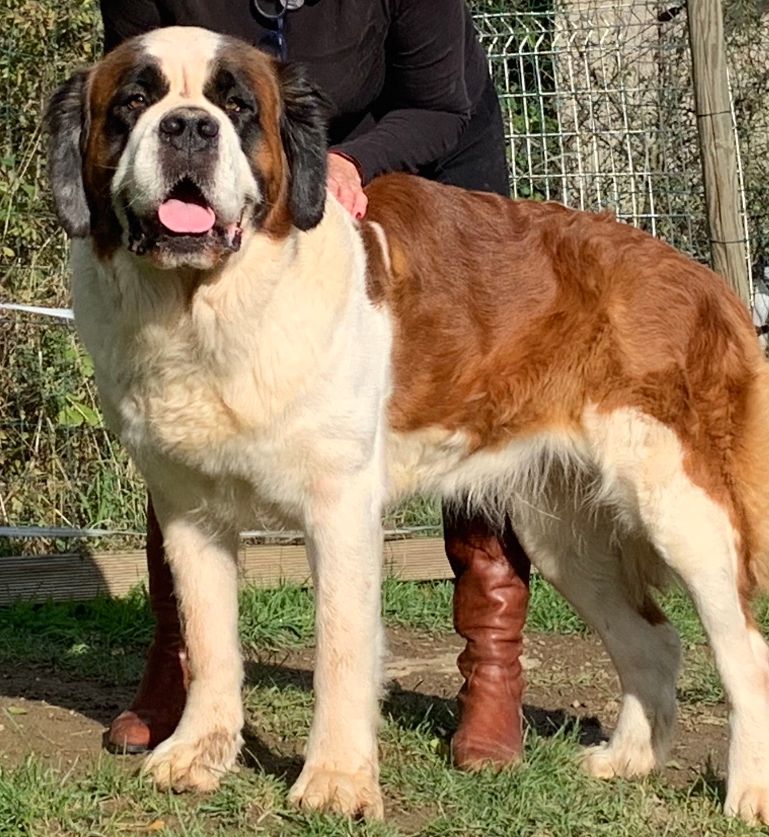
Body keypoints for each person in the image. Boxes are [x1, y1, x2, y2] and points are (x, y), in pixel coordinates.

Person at [99, 0, 532, 772]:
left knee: (472, 400)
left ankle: (491, 670)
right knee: (181, 419)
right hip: (254, 164)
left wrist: (340, 161)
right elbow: (121, 93)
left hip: (418, 153)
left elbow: (438, 102)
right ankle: (185, 662)